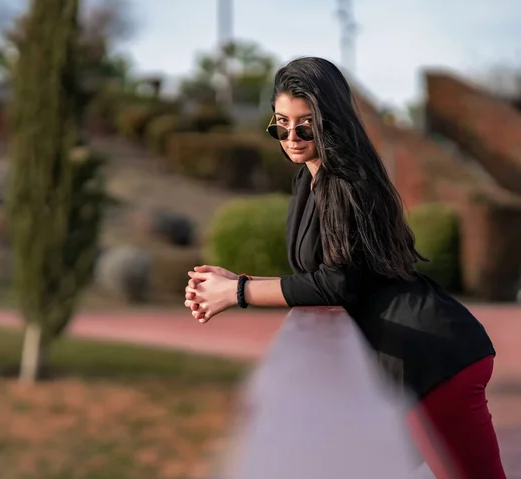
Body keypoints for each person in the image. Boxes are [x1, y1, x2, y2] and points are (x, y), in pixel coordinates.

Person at [184, 57, 506, 479]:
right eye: (281, 124)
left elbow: (336, 284)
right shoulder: (308, 179)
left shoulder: (349, 181)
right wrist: (232, 282)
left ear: (330, 120)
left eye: (305, 124)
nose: (292, 137)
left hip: (438, 360)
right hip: (408, 361)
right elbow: (319, 275)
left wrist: (238, 293)